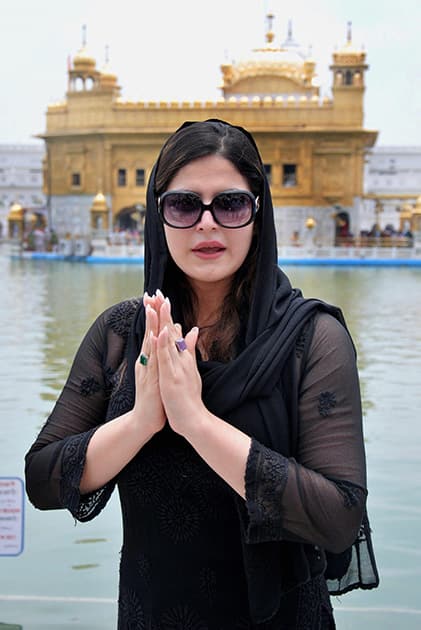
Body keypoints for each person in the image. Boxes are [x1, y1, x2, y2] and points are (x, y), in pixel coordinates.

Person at [25, 119, 378, 629]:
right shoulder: (126, 334)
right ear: (159, 215)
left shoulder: (310, 339)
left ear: (258, 214)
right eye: (184, 205)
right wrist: (141, 420)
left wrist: (195, 421)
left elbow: (339, 517)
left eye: (230, 204)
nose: (207, 224)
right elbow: (43, 480)